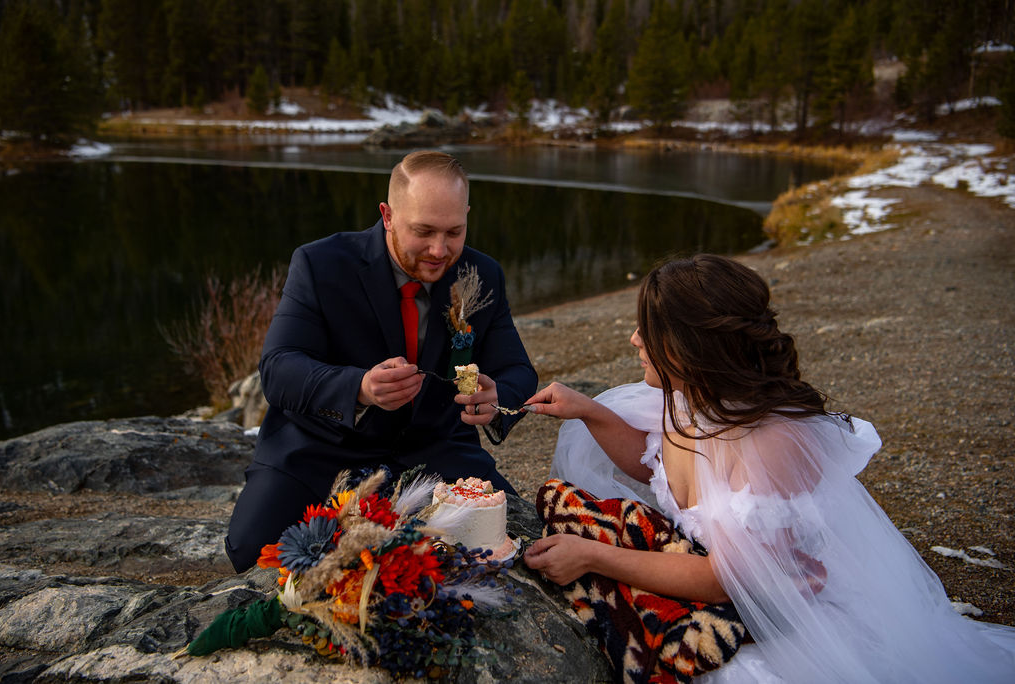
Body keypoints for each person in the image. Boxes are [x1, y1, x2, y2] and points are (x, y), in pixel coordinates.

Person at [523, 254, 1015, 683]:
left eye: (646, 330)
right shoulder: (693, 398)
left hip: (786, 615)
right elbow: (655, 465)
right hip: (718, 576)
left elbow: (723, 580)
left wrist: (593, 556)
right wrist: (589, 410)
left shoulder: (767, 442)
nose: (633, 339)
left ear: (686, 346)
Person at [225, 150, 537, 573]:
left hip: (436, 449)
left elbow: (518, 371)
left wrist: (497, 395)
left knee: (506, 549)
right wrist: (359, 388)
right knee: (253, 551)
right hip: (324, 446)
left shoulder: (481, 274)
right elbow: (279, 369)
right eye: (423, 231)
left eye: (454, 232)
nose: (439, 250)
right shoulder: (320, 264)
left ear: (467, 216)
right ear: (387, 215)